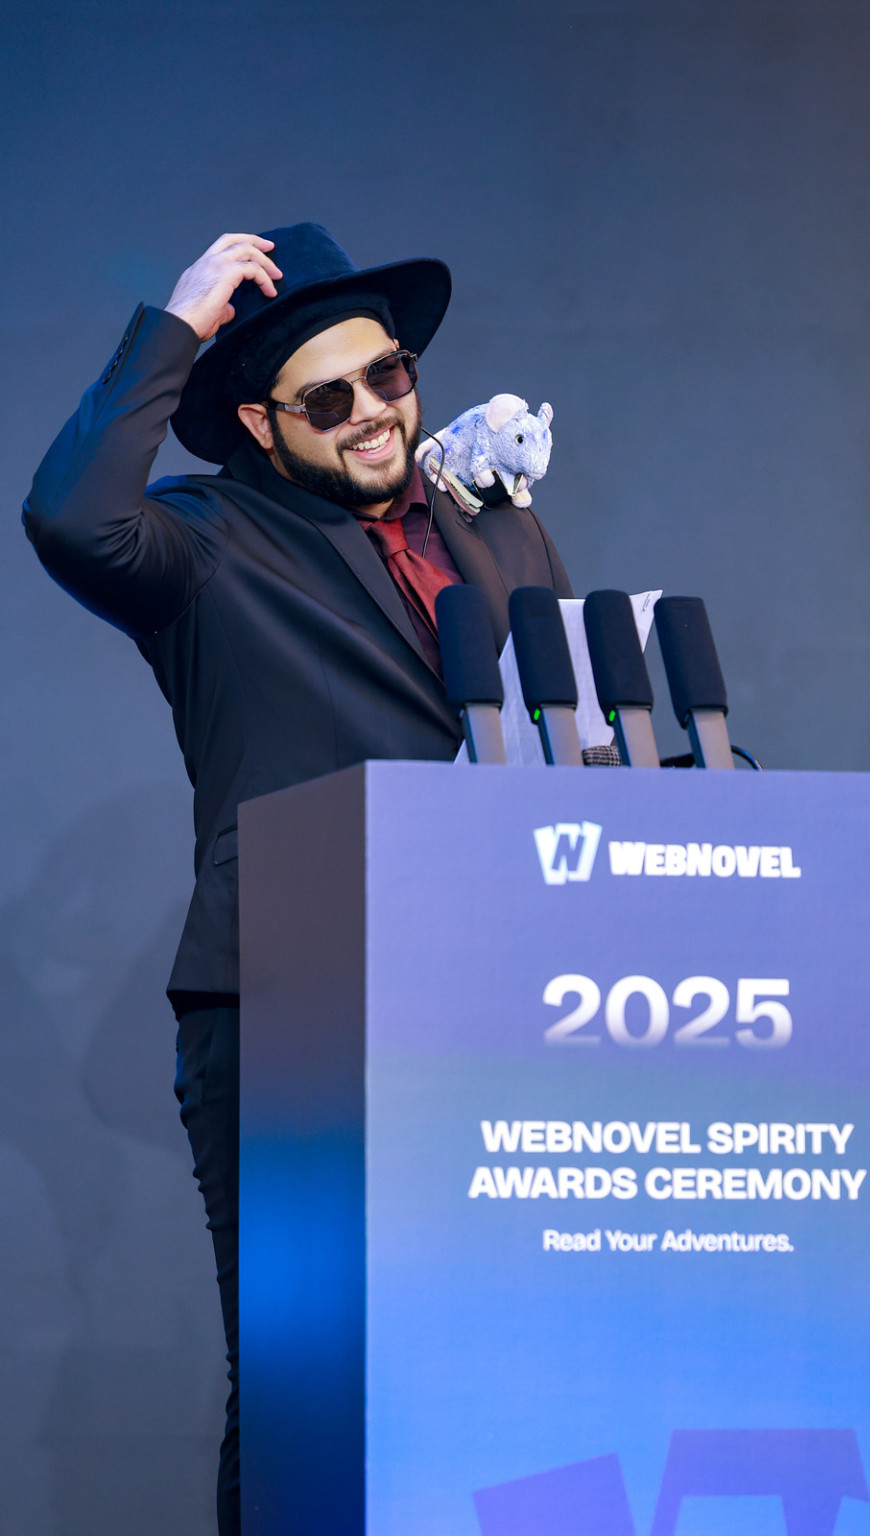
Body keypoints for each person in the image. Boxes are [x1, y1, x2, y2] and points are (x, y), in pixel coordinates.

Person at [23, 223, 573, 1535]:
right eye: (329, 399)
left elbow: (559, 734)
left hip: (491, 1005)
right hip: (292, 1006)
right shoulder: (210, 540)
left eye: (389, 376)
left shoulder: (493, 529)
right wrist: (178, 326)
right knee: (308, 1385)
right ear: (261, 427)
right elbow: (71, 516)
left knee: (493, 1371)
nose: (375, 412)